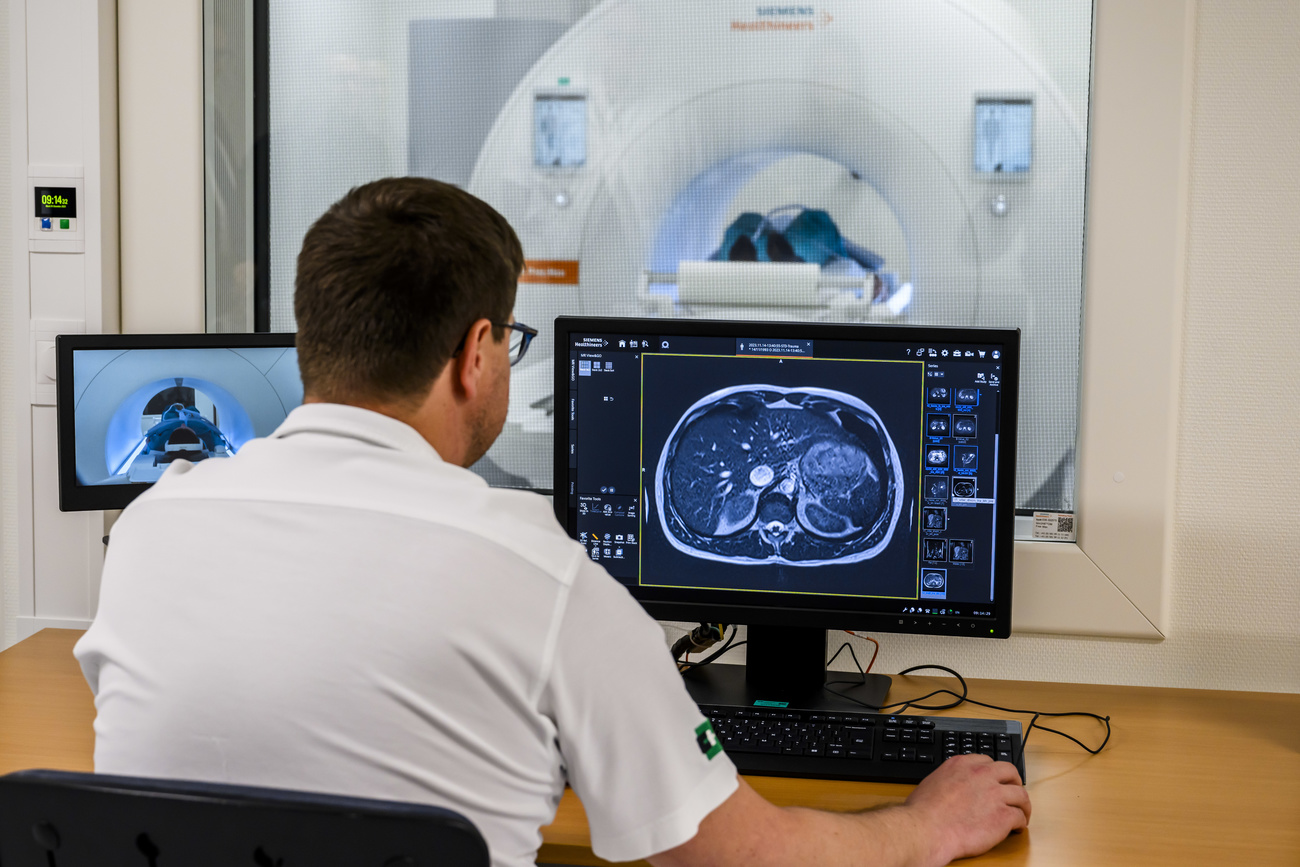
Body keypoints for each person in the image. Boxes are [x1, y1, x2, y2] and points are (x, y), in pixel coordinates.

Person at [74, 178, 1029, 867]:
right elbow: (746, 852)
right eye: (511, 341)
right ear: (476, 354)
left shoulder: (152, 529)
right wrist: (926, 824)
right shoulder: (536, 572)